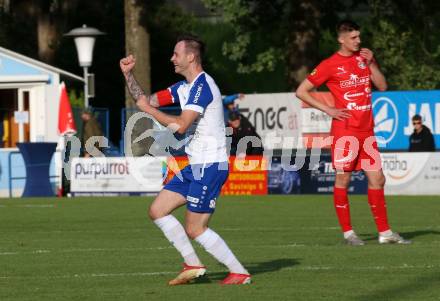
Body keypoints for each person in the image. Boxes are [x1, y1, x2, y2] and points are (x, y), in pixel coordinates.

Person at [120, 34, 251, 285]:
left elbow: (180, 126)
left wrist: (148, 110)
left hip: (210, 165)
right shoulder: (182, 88)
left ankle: (240, 272)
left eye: (176, 54)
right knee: (157, 210)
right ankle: (192, 264)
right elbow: (146, 100)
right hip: (195, 165)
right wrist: (128, 75)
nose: (172, 58)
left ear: (190, 57)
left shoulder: (203, 85)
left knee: (195, 228)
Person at [296, 20, 410, 246]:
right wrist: (328, 109)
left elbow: (383, 86)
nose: (358, 41)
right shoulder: (330, 64)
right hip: (345, 132)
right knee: (343, 178)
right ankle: (349, 233)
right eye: (353, 38)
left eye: (359, 36)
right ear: (341, 39)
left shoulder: (364, 58)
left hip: (367, 131)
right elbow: (302, 91)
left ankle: (385, 233)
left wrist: (372, 64)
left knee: (378, 178)